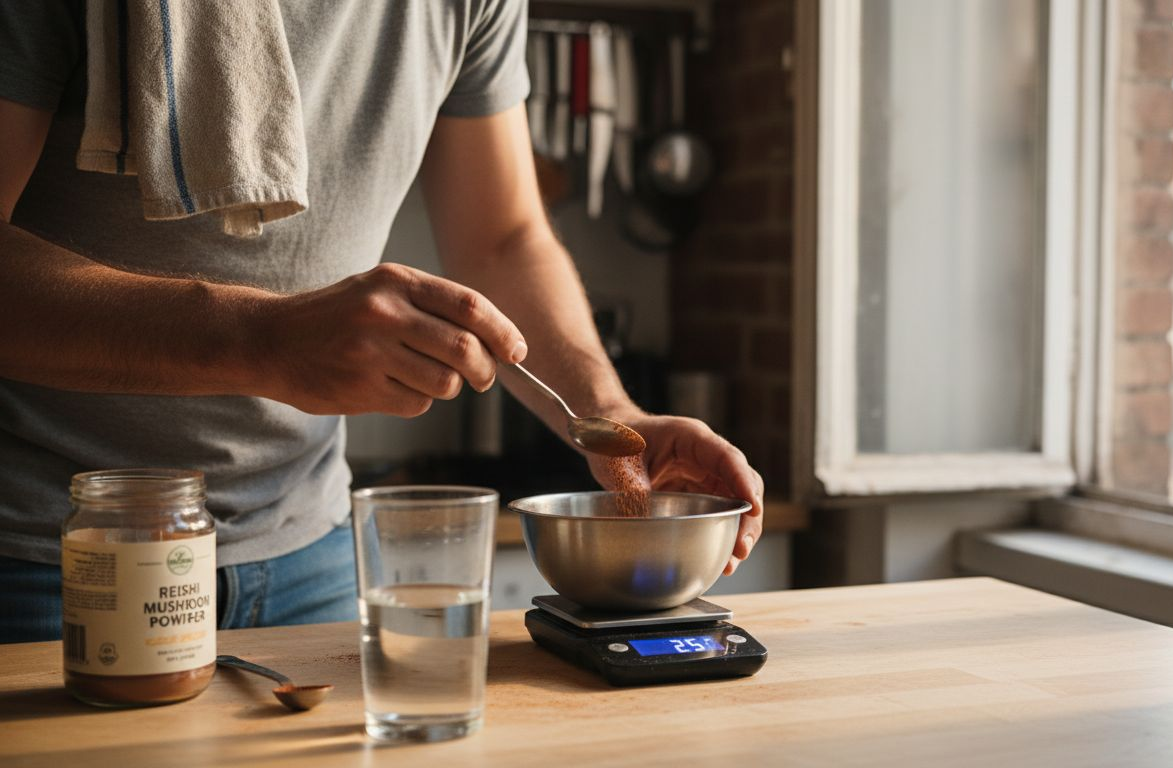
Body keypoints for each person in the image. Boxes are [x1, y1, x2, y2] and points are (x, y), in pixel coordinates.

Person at [0, 0, 764, 644]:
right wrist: (262, 340)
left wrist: (613, 419)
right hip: (50, 551)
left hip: (309, 548)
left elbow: (503, 238)